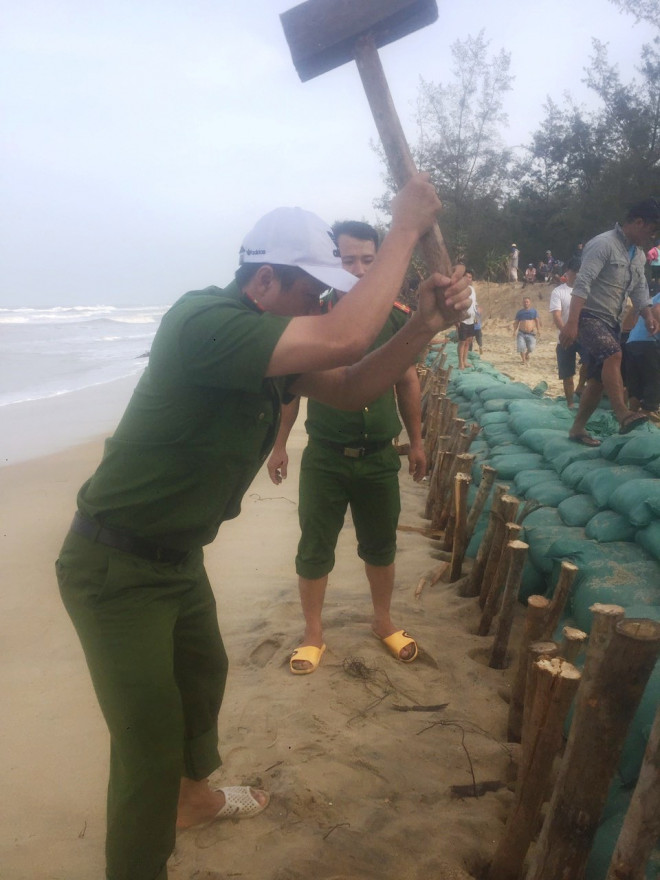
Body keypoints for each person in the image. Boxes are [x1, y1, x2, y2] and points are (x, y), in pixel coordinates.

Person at [54, 173, 471, 880]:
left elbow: (352, 382)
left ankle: (192, 800)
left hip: (176, 558)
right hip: (113, 568)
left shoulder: (267, 344)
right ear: (265, 282)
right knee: (147, 744)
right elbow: (343, 337)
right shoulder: (204, 325)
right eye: (312, 290)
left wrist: (425, 326)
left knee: (203, 677)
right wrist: (403, 230)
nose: (322, 302)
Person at [266, 219, 427, 675]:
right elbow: (292, 389)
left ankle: (384, 622)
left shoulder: (396, 315)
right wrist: (279, 446)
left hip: (378, 456)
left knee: (381, 545)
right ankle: (313, 634)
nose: (358, 269)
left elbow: (408, 379)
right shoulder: (314, 315)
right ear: (332, 262)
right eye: (348, 259)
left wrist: (417, 442)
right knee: (315, 547)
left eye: (368, 260)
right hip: (325, 458)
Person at [560, 197, 660, 445]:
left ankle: (577, 429)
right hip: (589, 315)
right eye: (652, 230)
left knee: (596, 380)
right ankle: (623, 414)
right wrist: (572, 323)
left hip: (612, 322)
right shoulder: (603, 244)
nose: (653, 237)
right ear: (639, 222)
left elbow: (639, 291)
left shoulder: (637, 256)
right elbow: (583, 283)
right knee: (614, 355)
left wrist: (647, 316)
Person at [549, 258, 585, 407]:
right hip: (565, 337)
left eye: (579, 271)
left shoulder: (587, 291)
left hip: (584, 336)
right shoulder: (559, 292)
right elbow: (557, 315)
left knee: (591, 363)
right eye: (574, 271)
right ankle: (570, 403)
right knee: (567, 374)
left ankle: (580, 387)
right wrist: (566, 333)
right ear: (568, 272)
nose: (576, 274)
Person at [625, 286, 660, 421]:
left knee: (635, 386)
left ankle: (632, 414)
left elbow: (633, 313)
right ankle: (648, 413)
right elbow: (657, 310)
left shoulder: (653, 297)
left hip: (632, 341)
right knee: (653, 381)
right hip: (649, 343)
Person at [457, 269, 479, 369]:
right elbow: (456, 305)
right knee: (462, 341)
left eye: (470, 277)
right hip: (463, 320)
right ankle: (460, 362)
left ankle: (465, 361)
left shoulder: (472, 289)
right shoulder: (459, 290)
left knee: (468, 341)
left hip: (472, 319)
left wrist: (477, 316)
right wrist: (457, 320)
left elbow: (475, 303)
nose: (468, 279)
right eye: (466, 277)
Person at [513, 295, 541, 365]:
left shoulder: (534, 311)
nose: (526, 303)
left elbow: (537, 321)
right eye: (524, 302)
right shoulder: (520, 312)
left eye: (527, 302)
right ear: (522, 303)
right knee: (521, 346)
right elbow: (516, 322)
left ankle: (527, 354)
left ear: (530, 302)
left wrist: (539, 330)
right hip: (521, 333)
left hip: (531, 333)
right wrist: (514, 331)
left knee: (531, 348)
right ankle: (523, 360)